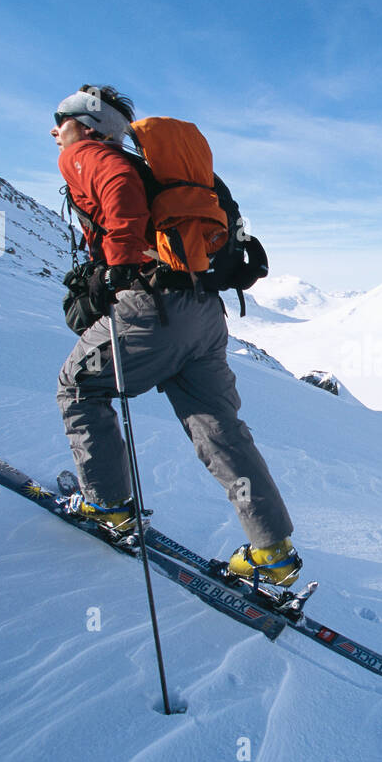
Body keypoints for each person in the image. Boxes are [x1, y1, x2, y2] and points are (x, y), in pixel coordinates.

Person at [51, 85, 301, 587]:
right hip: (204, 312)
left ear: (89, 123)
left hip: (152, 308)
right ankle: (272, 551)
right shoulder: (161, 173)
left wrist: (117, 268)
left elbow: (118, 190)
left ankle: (107, 505)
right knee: (219, 429)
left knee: (78, 388)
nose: (55, 130)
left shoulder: (88, 154)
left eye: (62, 119)